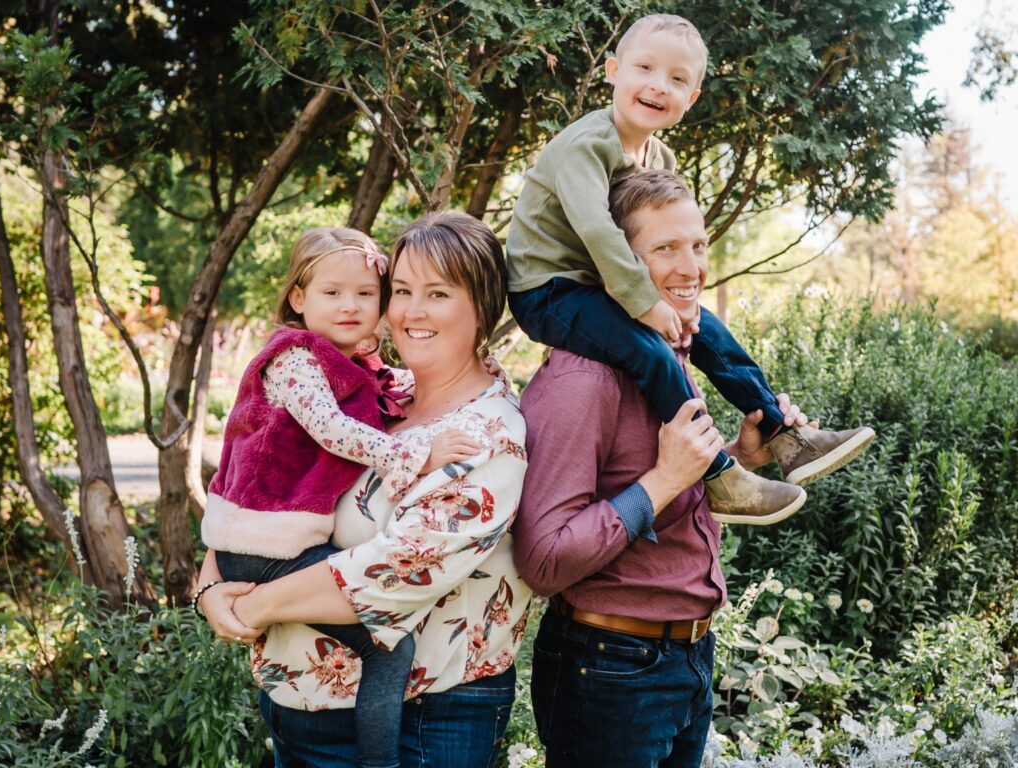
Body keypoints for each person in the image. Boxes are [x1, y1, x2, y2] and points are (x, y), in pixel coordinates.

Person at [505, 13, 874, 525]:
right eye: (645, 68)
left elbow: (658, 235)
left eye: (677, 79)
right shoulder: (584, 146)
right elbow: (596, 229)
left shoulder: (658, 157)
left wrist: (678, 303)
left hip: (600, 287)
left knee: (710, 331)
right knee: (649, 349)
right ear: (613, 71)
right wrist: (647, 303)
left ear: (692, 97)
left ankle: (784, 434)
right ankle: (721, 476)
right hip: (548, 290)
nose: (659, 86)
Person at [197, 212, 532, 768]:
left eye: (438, 293)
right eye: (400, 290)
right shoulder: (377, 395)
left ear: (483, 309)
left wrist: (249, 605)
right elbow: (262, 476)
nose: (411, 311)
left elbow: (391, 573)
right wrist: (211, 582)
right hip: (297, 705)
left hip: (416, 724)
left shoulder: (485, 434)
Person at [511, 169, 818, 768]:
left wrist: (738, 459)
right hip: (608, 669)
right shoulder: (583, 381)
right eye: (665, 249)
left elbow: (668, 512)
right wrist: (666, 480)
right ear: (615, 264)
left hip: (690, 660)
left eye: (698, 245)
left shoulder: (668, 362)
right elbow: (541, 562)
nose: (691, 268)